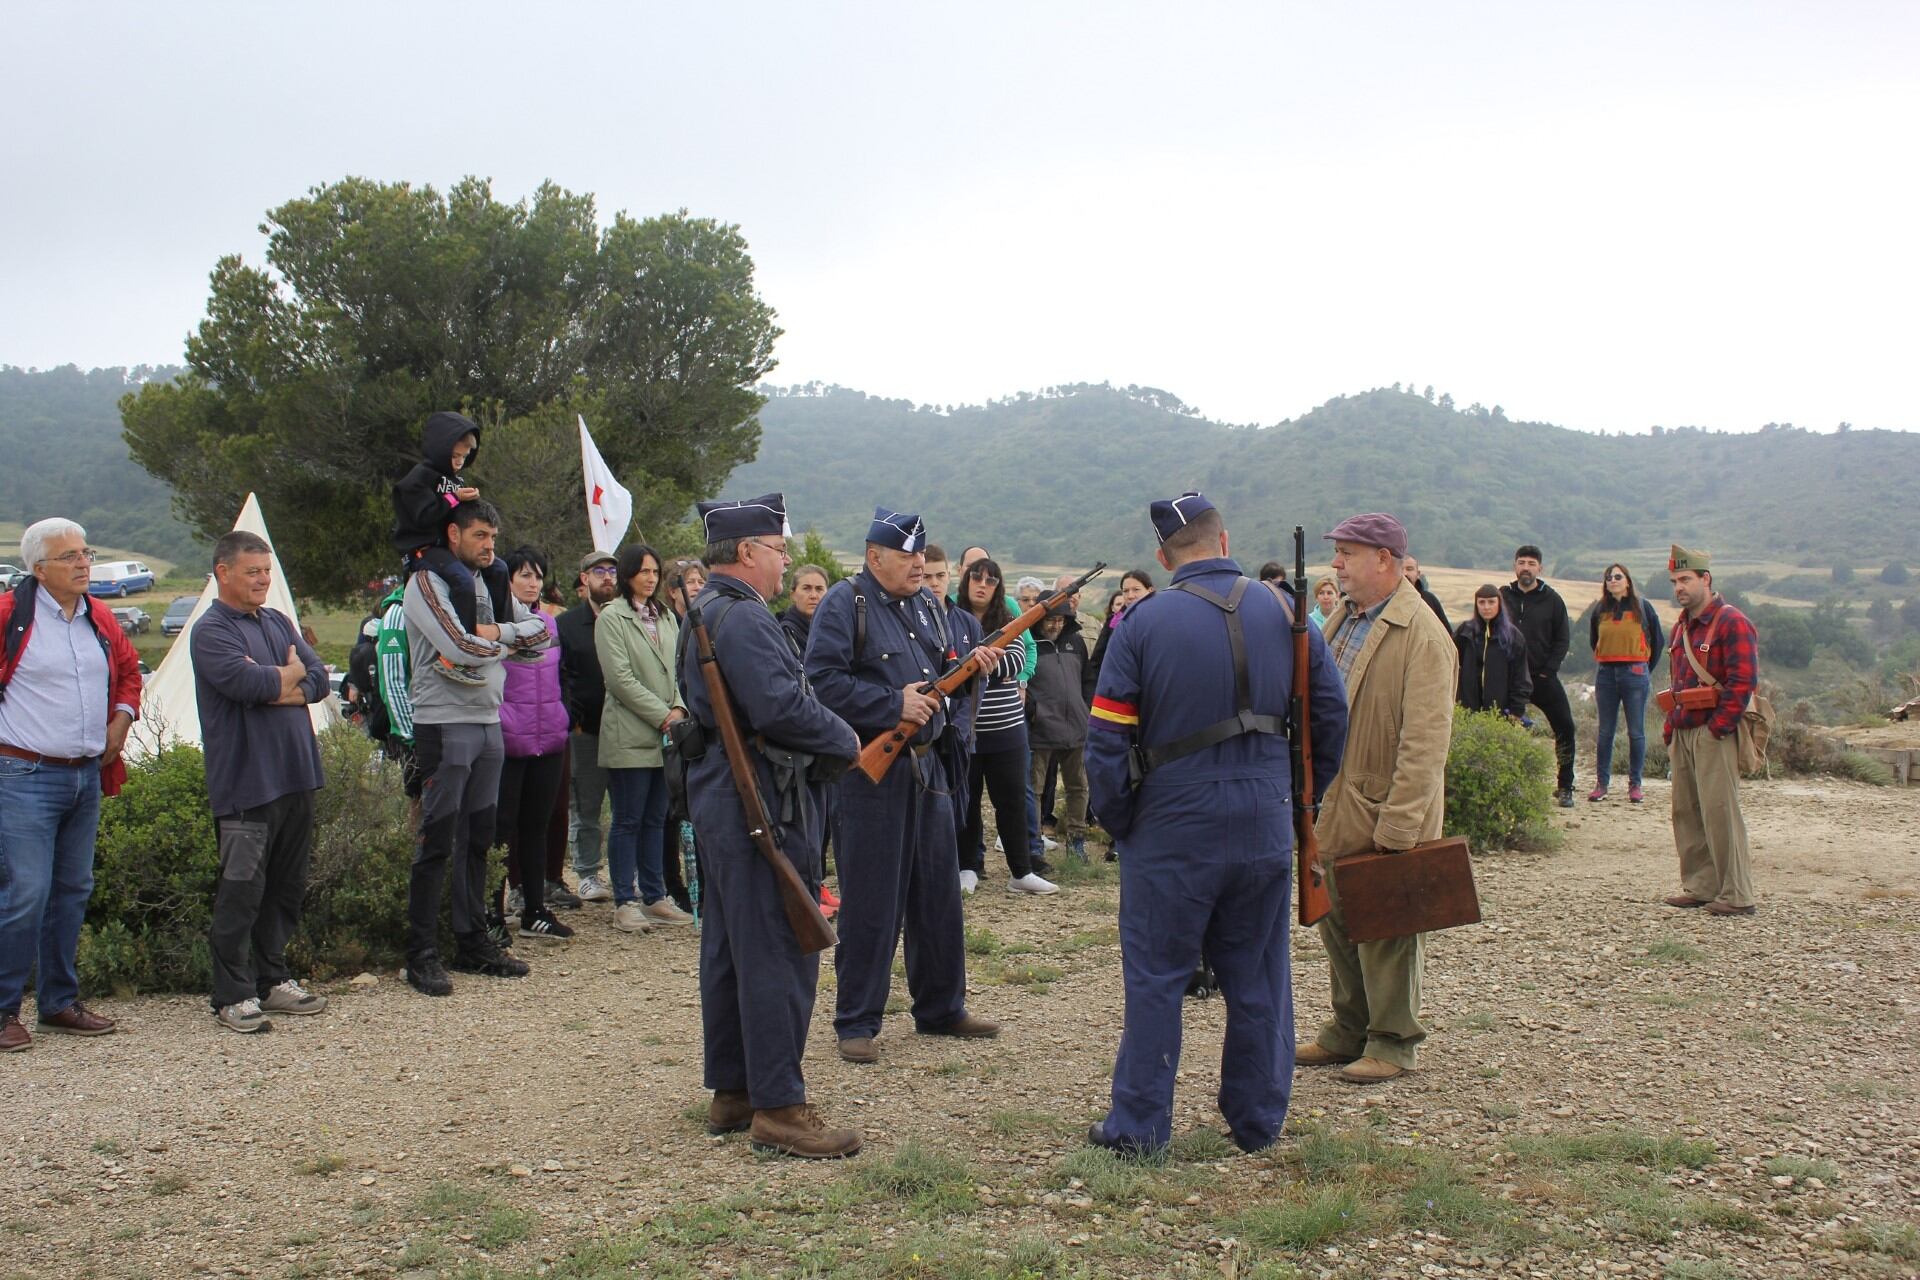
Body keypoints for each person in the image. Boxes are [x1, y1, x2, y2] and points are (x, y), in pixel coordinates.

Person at [1085, 492, 1347, 1153]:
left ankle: (1138, 1130)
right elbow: (1330, 715)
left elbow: (1107, 742)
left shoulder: (1140, 624)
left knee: (1155, 980)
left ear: (1163, 556)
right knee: (1259, 976)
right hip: (1264, 820)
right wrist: (1296, 798)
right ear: (1224, 542)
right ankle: (1258, 1122)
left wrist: (1123, 822)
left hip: (1170, 825)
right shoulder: (1287, 611)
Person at [675, 494, 864, 1157]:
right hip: (763, 802)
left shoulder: (710, 610)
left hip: (729, 799)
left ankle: (735, 1090)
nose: (787, 563)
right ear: (749, 551)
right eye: (780, 550)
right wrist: (847, 737)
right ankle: (780, 1105)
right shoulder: (745, 620)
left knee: (731, 949)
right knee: (779, 953)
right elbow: (781, 707)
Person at [806, 508, 1000, 1065]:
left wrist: (972, 668)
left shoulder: (927, 607)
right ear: (874, 557)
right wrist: (892, 703)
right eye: (908, 555)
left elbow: (942, 673)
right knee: (872, 898)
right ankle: (857, 1020)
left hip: (928, 766)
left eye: (922, 556)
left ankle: (941, 1007)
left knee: (937, 894)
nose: (921, 564)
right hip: (873, 775)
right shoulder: (847, 603)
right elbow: (821, 683)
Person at [1302, 512, 1455, 1084]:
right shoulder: (1345, 617)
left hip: (1381, 803)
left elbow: (1425, 742)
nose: (1336, 564)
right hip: (1335, 798)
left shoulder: (1423, 635)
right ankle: (1350, 1029)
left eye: (1347, 553)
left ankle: (1393, 1042)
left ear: (1384, 560)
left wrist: (1401, 825)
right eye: (1338, 553)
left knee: (1387, 924)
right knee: (1337, 918)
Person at [0, 519, 140, 1052]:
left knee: (71, 890)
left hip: (84, 774)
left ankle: (58, 1002)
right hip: (22, 774)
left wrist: (122, 718)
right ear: (39, 570)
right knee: (25, 892)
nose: (84, 563)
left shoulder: (98, 616)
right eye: (69, 557)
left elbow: (129, 672)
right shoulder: (11, 616)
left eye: (86, 553)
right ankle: (3, 1010)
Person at [401, 501, 550, 996]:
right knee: (437, 838)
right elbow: (459, 645)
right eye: (480, 535)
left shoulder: (488, 582)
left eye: (493, 536)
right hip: (444, 723)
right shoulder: (427, 583)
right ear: (453, 533)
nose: (489, 545)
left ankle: (471, 941)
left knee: (479, 837)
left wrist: (494, 634)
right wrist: (505, 638)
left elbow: (542, 633)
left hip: (488, 721)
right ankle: (420, 953)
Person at [189, 530, 331, 1033]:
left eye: (266, 572)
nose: (262, 581)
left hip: (295, 777)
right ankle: (232, 993)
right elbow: (247, 684)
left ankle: (272, 980)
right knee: (242, 889)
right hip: (246, 786)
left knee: (286, 888)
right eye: (252, 572)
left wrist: (280, 682)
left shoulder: (276, 621)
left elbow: (318, 680)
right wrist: (284, 676)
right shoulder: (211, 631)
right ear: (223, 573)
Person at [596, 543, 693, 932]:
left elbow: (678, 668)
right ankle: (625, 899)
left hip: (665, 736)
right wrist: (662, 714)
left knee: (657, 816)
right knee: (627, 819)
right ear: (628, 575)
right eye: (644, 572)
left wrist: (680, 708)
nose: (650, 578)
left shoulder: (666, 617)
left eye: (655, 572)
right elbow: (620, 679)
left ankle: (654, 896)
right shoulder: (612, 617)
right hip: (630, 733)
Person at [1661, 545, 1759, 917]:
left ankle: (1737, 893)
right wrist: (1671, 726)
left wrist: (1720, 727)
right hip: (1685, 726)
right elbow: (1677, 679)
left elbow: (1743, 681)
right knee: (1686, 811)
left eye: (1685, 579)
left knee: (1721, 812)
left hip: (1713, 729)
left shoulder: (1732, 622)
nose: (1679, 588)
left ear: (1706, 579)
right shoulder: (1681, 626)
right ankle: (1701, 886)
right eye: (1674, 581)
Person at [390, 411, 512, 686]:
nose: (459, 462)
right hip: (424, 548)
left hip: (449, 548)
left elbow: (462, 516)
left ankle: (501, 630)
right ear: (440, 449)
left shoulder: (455, 481)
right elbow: (423, 515)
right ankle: (460, 654)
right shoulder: (419, 478)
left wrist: (469, 503)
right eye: (455, 456)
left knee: (500, 568)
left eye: (464, 458)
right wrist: (454, 498)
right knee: (461, 580)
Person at [957, 559, 1054, 895]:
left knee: (1012, 801)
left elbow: (1016, 660)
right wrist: (984, 662)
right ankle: (968, 866)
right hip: (966, 730)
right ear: (965, 580)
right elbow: (949, 662)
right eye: (976, 577)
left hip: (1008, 728)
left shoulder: (1008, 620)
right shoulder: (951, 617)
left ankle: (1021, 870)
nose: (982, 584)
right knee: (966, 803)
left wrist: (978, 664)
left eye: (991, 580)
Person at [496, 547, 574, 940]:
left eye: (538, 576)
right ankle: (493, 913)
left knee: (536, 826)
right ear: (507, 580)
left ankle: (535, 910)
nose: (532, 583)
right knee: (500, 829)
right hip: (509, 740)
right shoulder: (494, 625)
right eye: (524, 575)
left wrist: (564, 715)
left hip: (549, 738)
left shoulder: (550, 624)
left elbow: (564, 675)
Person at [557, 550, 619, 902]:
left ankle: (631, 874)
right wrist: (574, 717)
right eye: (599, 571)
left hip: (627, 730)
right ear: (585, 579)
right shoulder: (566, 625)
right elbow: (562, 677)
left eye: (612, 570)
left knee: (627, 809)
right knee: (587, 807)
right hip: (586, 731)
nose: (607, 577)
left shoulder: (630, 619)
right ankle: (587, 873)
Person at [925, 545, 985, 895]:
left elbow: (977, 681)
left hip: (960, 732)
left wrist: (964, 727)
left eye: (940, 575)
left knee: (966, 801)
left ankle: (966, 866)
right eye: (928, 575)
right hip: (924, 732)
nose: (934, 583)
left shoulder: (967, 622)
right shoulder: (912, 620)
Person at [1501, 545, 1576, 807]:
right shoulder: (1502, 596)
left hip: (1542, 678)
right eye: (1521, 562)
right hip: (1510, 681)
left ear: (1540, 569)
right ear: (1515, 566)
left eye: (1531, 563)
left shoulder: (1553, 600)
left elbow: (1562, 639)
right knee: (1499, 729)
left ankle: (1565, 786)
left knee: (1565, 727)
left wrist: (1547, 671)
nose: (1526, 568)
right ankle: (1502, 784)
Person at [1588, 563, 1664, 803]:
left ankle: (1635, 785)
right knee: (1605, 731)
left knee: (1636, 732)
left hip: (1635, 672)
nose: (1613, 580)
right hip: (1606, 674)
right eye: (1608, 577)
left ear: (1628, 581)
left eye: (1617, 576)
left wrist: (1643, 669)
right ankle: (1602, 784)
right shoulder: (1600, 609)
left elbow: (1658, 642)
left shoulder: (1643, 607)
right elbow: (1594, 639)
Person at [1028, 596, 1092, 862]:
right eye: (1050, 619)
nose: (1055, 625)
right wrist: (1034, 712)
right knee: (1035, 789)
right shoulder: (1028, 643)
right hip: (1040, 728)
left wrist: (1086, 709)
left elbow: (1088, 679)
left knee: (1079, 786)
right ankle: (1033, 843)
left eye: (1060, 620)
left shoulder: (1075, 642)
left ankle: (1076, 840)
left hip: (1077, 726)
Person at [1454, 585, 1532, 718]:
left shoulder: (1513, 637)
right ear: (1476, 604)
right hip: (1466, 710)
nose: (1486, 607)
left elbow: (1521, 677)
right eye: (1481, 602)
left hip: (1500, 713)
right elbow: (1452, 665)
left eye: (1491, 602)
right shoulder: (1465, 632)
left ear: (1499, 604)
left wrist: (1516, 711)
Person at [780, 563, 830, 653]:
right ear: (793, 595)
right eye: (806, 588)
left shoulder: (833, 630)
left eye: (819, 589)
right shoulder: (786, 634)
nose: (813, 596)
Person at [1404, 556, 1453, 634]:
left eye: (1409, 569)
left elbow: (1446, 634)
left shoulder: (1429, 600)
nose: (1405, 573)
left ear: (1418, 574)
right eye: (1400, 569)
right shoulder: (1385, 600)